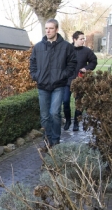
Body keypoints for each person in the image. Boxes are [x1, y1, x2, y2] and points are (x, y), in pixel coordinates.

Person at [29, 19, 77, 147]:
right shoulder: (38, 47)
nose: (48, 31)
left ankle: (55, 140)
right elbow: (32, 63)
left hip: (58, 85)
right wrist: (35, 76)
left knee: (54, 113)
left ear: (56, 29)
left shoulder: (66, 46)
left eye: (50, 28)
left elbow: (72, 63)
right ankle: (47, 139)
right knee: (44, 115)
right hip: (42, 85)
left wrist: (63, 75)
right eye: (46, 28)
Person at [63, 31, 97, 131]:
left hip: (80, 81)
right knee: (65, 101)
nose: (83, 41)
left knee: (79, 102)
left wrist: (86, 68)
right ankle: (68, 121)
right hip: (67, 81)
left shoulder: (87, 51)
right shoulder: (66, 49)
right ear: (75, 39)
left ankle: (76, 123)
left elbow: (94, 61)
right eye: (81, 39)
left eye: (84, 39)